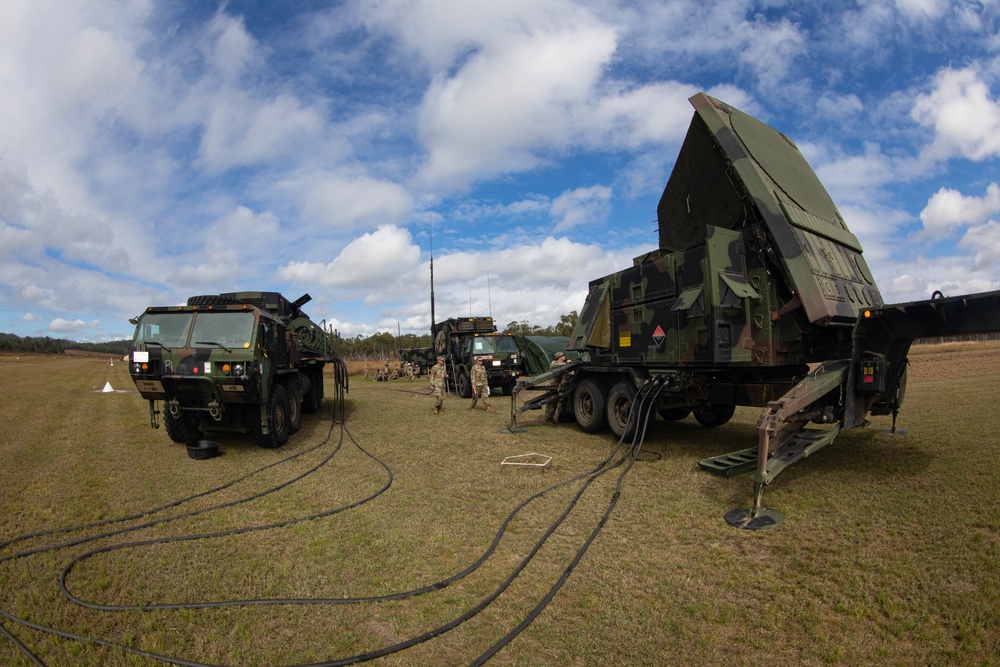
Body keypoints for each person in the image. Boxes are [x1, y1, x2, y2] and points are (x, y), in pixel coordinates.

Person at [544, 351, 570, 426]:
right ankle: (548, 419)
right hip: (552, 385)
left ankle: (553, 418)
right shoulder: (554, 363)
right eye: (563, 355)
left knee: (555, 402)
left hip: (557, 385)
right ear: (559, 357)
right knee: (550, 402)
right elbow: (561, 365)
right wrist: (567, 363)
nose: (564, 356)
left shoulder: (562, 364)